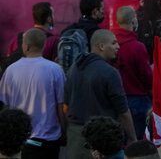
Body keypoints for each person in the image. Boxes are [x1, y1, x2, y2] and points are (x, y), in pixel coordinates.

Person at [64, 30, 136, 159]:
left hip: (75, 137)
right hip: (102, 140)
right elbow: (123, 111)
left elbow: (66, 104)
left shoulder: (73, 68)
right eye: (114, 43)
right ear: (101, 46)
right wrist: (132, 138)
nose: (118, 47)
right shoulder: (110, 73)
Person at [0, 29, 65, 159]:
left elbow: (4, 106)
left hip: (20, 139)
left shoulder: (11, 70)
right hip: (49, 140)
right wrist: (64, 131)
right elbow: (61, 107)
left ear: (27, 46)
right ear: (43, 45)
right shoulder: (55, 70)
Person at [111, 7, 152, 141]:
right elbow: (146, 76)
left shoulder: (109, 42)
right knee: (138, 142)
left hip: (113, 98)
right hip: (137, 99)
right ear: (133, 21)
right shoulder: (137, 47)